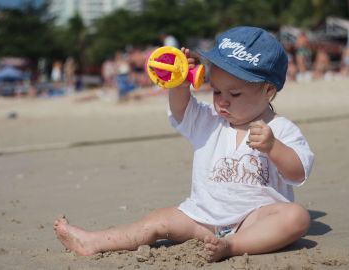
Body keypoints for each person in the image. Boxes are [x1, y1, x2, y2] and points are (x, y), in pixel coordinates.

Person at [54, 26, 314, 262]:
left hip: (254, 221)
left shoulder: (280, 129)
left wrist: (274, 148)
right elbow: (182, 109)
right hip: (201, 218)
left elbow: (297, 172)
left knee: (296, 217)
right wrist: (179, 81)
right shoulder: (210, 121)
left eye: (234, 94)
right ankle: (94, 241)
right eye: (216, 91)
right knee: (156, 221)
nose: (222, 102)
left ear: (268, 90)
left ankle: (232, 245)